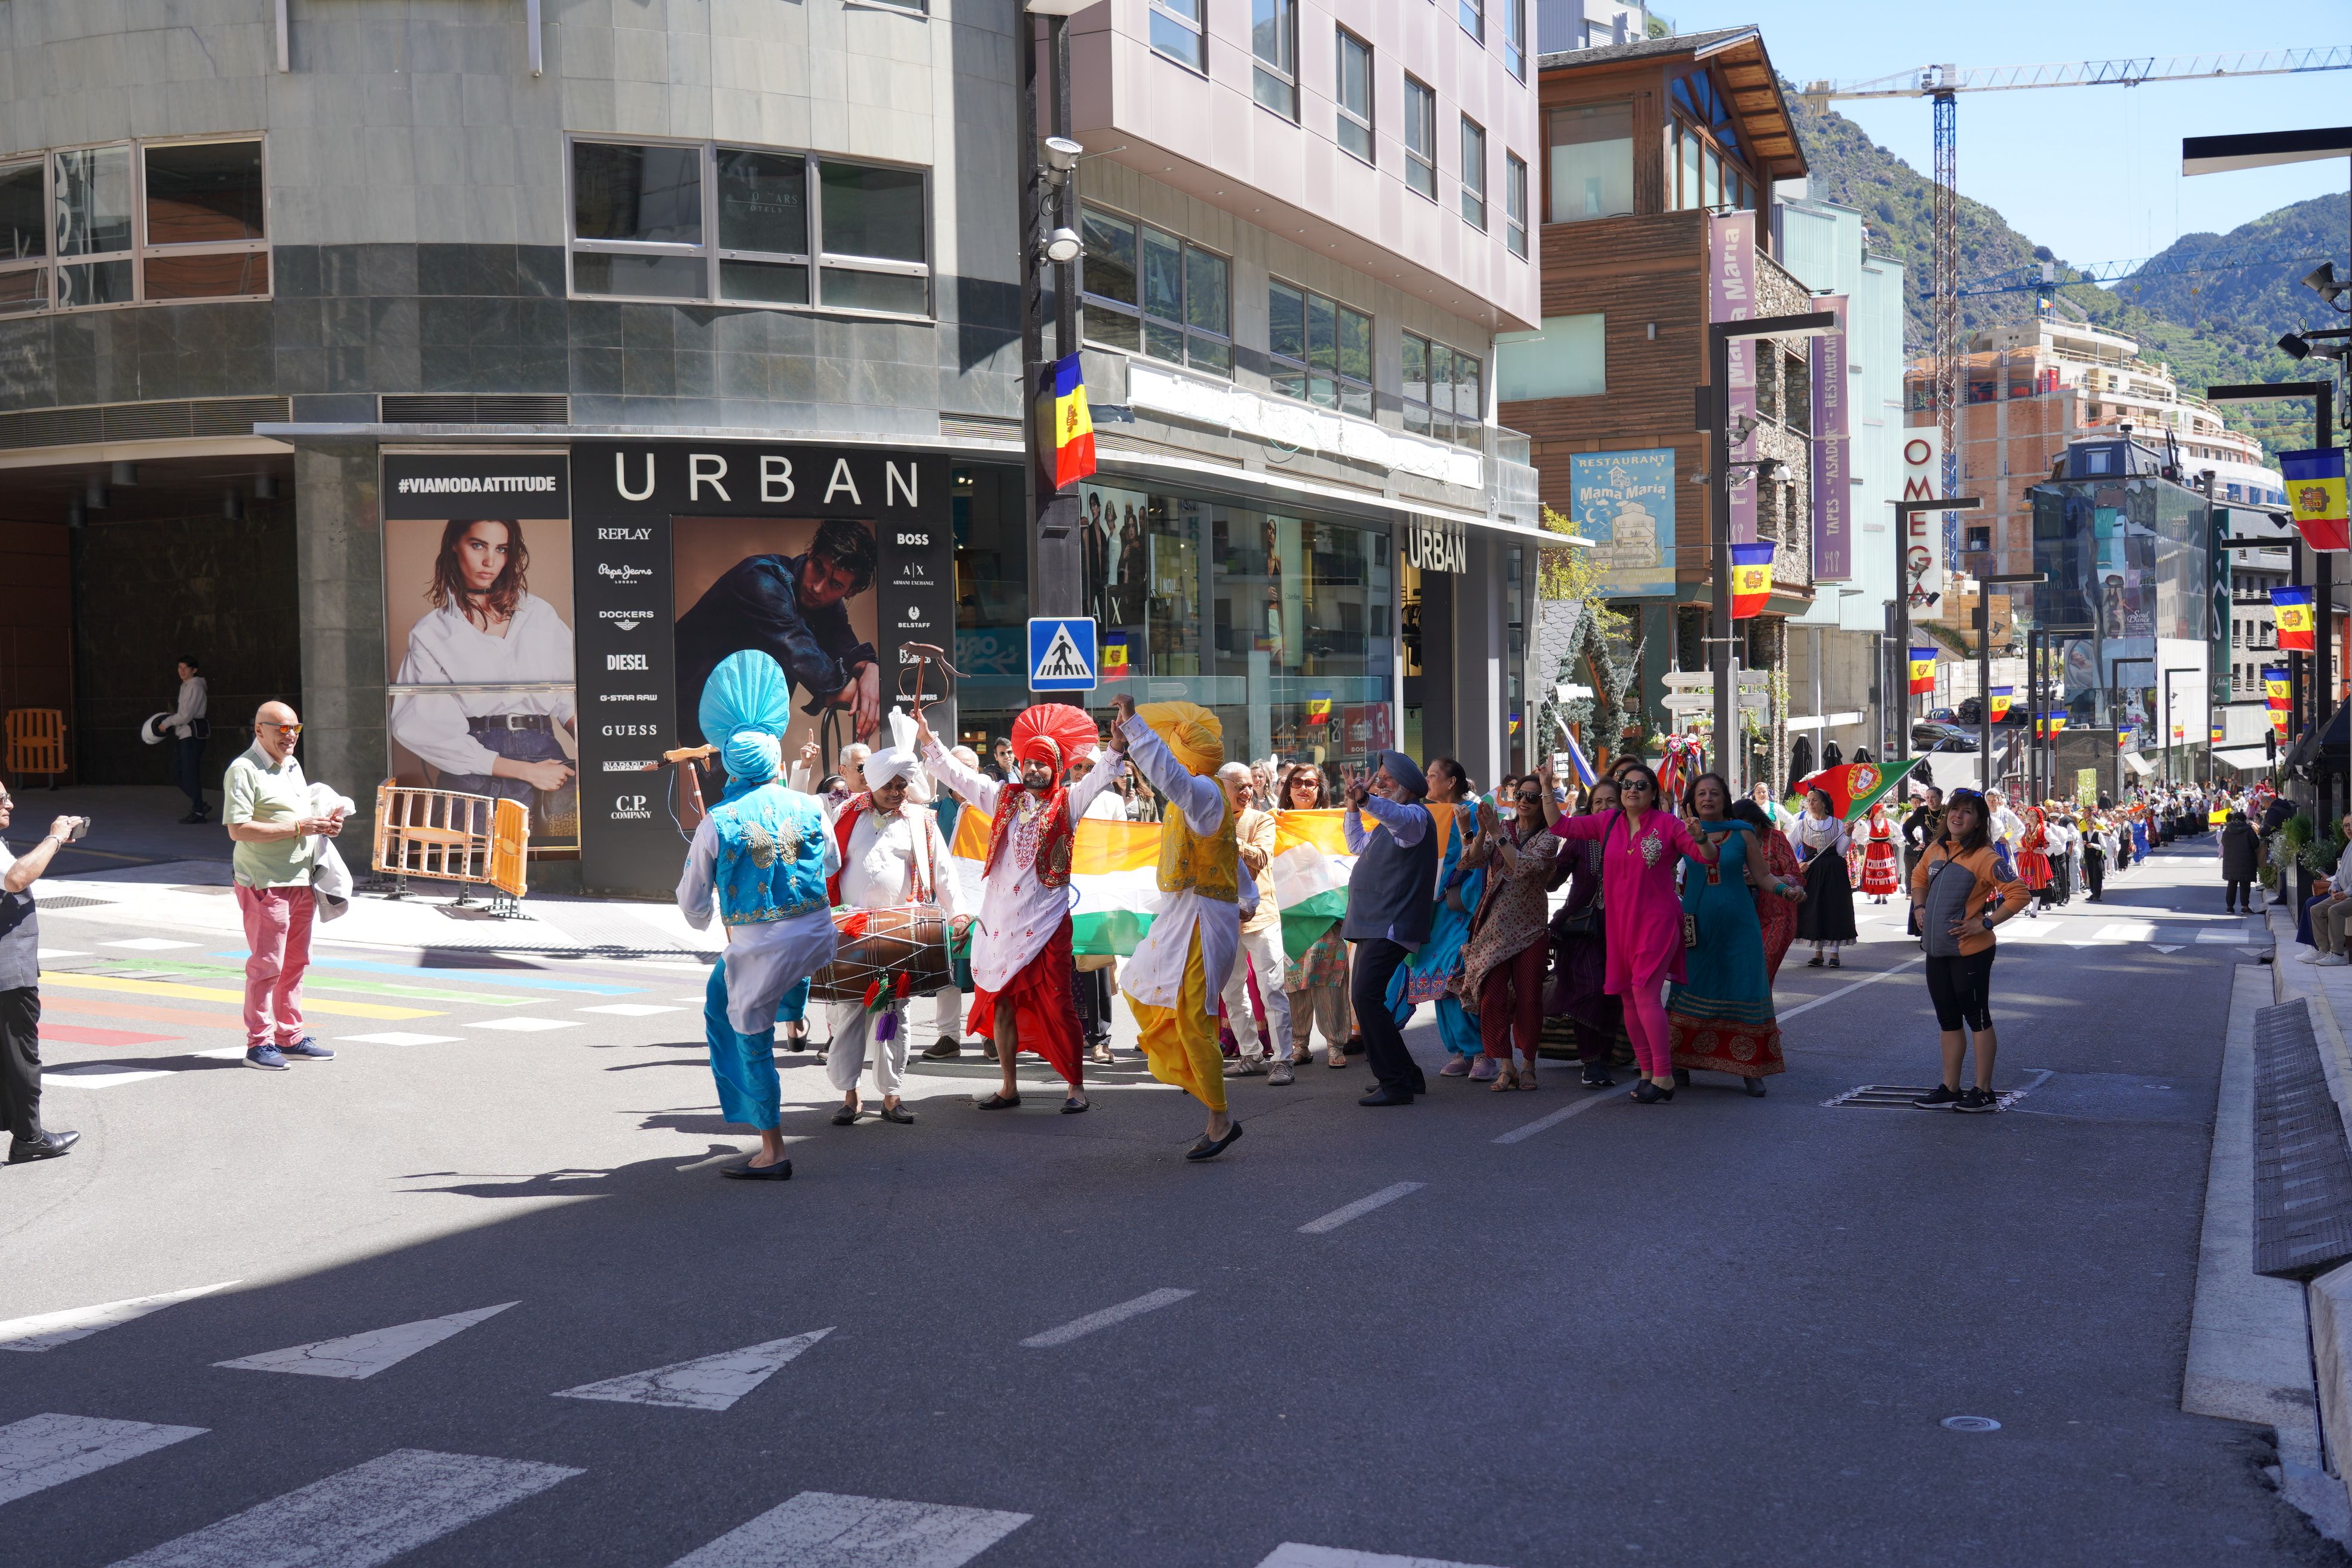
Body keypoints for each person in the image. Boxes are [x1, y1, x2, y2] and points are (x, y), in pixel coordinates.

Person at [675, 651, 840, 1181]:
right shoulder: (812, 805)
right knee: (719, 993)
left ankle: (773, 1148)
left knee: (749, 1036)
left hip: (763, 947)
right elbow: (831, 863)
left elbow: (691, 902)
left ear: (729, 765)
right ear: (773, 762)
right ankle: (794, 1005)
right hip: (817, 934)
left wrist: (704, 914)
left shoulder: (718, 822)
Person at [918, 701, 1119, 1113]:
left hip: (1048, 925)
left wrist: (1115, 744)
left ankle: (1075, 1087)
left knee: (1061, 1003)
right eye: (1029, 763)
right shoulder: (1003, 798)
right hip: (1001, 924)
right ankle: (1009, 1086)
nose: (1034, 770)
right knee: (1002, 1004)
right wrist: (928, 738)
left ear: (1056, 769)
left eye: (1043, 765)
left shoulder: (1069, 803)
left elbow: (1100, 777)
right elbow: (959, 776)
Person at [1106, 696, 1252, 1157]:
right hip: (1181, 916)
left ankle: (1220, 1116)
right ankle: (1195, 1076)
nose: (1168, 761)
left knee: (1193, 1017)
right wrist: (1246, 896)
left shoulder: (1204, 791)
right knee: (1135, 984)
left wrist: (1135, 728)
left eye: (1172, 750)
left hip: (1204, 919)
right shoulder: (1191, 799)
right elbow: (1229, 857)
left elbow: (1166, 774)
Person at [390, 518, 578, 840]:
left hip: (550, 764)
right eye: (478, 545)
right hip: (475, 768)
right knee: (473, 874)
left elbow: (567, 697)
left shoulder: (539, 615)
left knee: (557, 872)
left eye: (501, 549)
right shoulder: (432, 632)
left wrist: (601, 754)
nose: (490, 561)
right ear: (455, 544)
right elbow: (423, 728)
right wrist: (526, 772)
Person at [1549, 762, 1720, 1104]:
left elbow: (1708, 859)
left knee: (1644, 995)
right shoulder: (1608, 822)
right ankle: (1647, 1073)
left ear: (1653, 794)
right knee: (1627, 998)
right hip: (1619, 926)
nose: (1632, 790)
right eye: (1627, 785)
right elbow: (1560, 825)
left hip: (1657, 923)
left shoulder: (1669, 824)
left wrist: (1700, 836)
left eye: (1641, 786)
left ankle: (1664, 1075)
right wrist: (1543, 787)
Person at [823, 743, 967, 1127]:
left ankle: (891, 1096)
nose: (896, 790)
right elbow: (823, 867)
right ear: (874, 782)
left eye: (902, 784)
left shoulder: (921, 821)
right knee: (848, 1015)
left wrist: (959, 914)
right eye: (890, 783)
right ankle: (850, 1097)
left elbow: (945, 873)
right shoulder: (844, 813)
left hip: (898, 934)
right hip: (850, 934)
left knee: (892, 1015)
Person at [674, 519, 884, 750]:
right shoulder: (762, 582)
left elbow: (846, 646)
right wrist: (872, 696)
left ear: (850, 591)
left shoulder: (825, 604)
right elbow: (815, 670)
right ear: (810, 552)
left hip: (736, 713)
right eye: (818, 569)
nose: (818, 587)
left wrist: (870, 669)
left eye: (835, 585)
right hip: (683, 697)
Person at [223, 702, 342, 1071]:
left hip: (301, 879)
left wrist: (324, 826)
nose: (290, 736)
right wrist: (298, 829)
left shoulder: (292, 765)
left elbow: (300, 816)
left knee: (295, 963)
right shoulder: (243, 770)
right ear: (259, 730)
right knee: (267, 965)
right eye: (281, 729)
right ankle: (259, 1044)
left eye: (295, 728)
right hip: (265, 882)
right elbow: (238, 829)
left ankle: (290, 1037)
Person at [1668, 773, 1799, 1097]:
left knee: (1746, 986)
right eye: (1702, 794)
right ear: (1692, 801)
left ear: (1725, 799)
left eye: (1715, 793)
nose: (1708, 798)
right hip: (1697, 924)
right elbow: (1660, 870)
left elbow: (1763, 876)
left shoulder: (1743, 833)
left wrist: (1787, 891)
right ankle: (1679, 1063)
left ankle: (1751, 1069)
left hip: (1741, 925)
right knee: (1692, 986)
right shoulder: (1680, 833)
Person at [1909, 789, 2029, 1112]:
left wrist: (1986, 924)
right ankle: (1950, 1088)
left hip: (1971, 952)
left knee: (1977, 1018)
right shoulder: (1936, 848)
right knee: (1948, 1020)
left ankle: (1984, 1092)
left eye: (1966, 812)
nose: (1957, 816)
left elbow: (2019, 894)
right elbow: (1918, 877)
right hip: (1937, 950)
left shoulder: (1985, 856)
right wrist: (1920, 908)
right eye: (1954, 810)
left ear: (1978, 821)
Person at [1453, 775, 1564, 1091]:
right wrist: (1472, 831)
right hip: (1494, 928)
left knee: (1529, 997)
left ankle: (1528, 1064)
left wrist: (1497, 832)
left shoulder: (1548, 837)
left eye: (1532, 796)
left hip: (1530, 929)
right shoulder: (1507, 827)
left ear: (1543, 802)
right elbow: (1472, 860)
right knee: (1492, 998)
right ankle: (1505, 1065)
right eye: (1520, 795)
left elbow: (1524, 868)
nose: (1525, 801)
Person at [1344, 752, 1441, 1106]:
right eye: (1379, 777)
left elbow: (1395, 814)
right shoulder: (1392, 825)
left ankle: (1396, 1083)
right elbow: (1355, 844)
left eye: (1387, 778)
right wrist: (1354, 808)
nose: (1380, 782)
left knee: (1366, 998)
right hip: (1378, 922)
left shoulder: (1414, 816)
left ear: (1406, 786)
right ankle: (1406, 1076)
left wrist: (1366, 800)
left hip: (1391, 923)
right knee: (1370, 1000)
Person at [0, 784, 81, 1162]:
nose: (10, 803)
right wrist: (55, 838)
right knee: (21, 1056)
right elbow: (17, 878)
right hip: (7, 972)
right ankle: (29, 1139)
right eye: (2, 800)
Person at [1396, 758, 1486, 1080]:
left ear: (1451, 783)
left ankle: (1481, 1052)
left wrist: (1466, 898)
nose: (1427, 780)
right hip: (1431, 913)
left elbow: (1481, 861)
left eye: (1433, 775)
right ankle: (1459, 1051)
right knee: (1434, 977)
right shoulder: (1425, 815)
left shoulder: (1472, 814)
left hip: (1458, 912)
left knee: (1457, 977)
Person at [1545, 775, 1625, 1089]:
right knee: (1589, 988)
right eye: (1597, 803)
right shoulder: (1580, 838)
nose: (1604, 808)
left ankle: (1605, 1055)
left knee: (1613, 993)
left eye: (1610, 802)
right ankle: (1591, 1062)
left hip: (1622, 929)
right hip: (1581, 928)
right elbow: (1552, 882)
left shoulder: (1634, 836)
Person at [1218, 761, 1296, 1083]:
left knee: (1272, 988)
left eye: (1250, 785)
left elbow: (1261, 857)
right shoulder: (1207, 821)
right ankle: (1250, 1054)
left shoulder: (1261, 819)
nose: (1247, 792)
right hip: (1221, 918)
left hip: (1260, 916)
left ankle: (1283, 1059)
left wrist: (1221, 836)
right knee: (1232, 990)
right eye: (1239, 786)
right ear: (1222, 789)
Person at [1278, 764, 1353, 1070]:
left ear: (1321, 788)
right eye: (1297, 782)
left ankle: (1335, 1045)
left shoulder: (1336, 823)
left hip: (1327, 916)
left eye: (1311, 782)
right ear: (1288, 787)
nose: (1303, 788)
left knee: (1330, 982)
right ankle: (1299, 1045)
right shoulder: (1275, 822)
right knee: (1294, 983)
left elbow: (1349, 863)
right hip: (1291, 916)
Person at [1733, 798, 1805, 982]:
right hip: (1745, 917)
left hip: (1778, 916)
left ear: (1758, 822)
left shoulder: (1775, 838)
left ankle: (1761, 1011)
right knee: (1744, 975)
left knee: (1762, 973)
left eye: (1749, 826)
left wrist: (1761, 878)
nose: (1744, 832)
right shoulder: (1733, 841)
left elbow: (1795, 877)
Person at [1791, 788, 1857, 967]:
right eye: (1809, 800)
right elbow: (1789, 846)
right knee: (1815, 908)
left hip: (1834, 871)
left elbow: (1841, 851)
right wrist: (1798, 863)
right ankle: (1818, 953)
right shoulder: (1802, 824)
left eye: (1814, 800)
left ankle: (1834, 953)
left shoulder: (1837, 824)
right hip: (1812, 871)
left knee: (1834, 908)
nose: (1811, 804)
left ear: (1824, 804)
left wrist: (1849, 834)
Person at [166, 655, 211, 823]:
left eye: (185, 668)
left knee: (189, 774)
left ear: (194, 670)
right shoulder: (186, 686)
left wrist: (167, 723)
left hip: (192, 736)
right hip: (185, 735)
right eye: (180, 668)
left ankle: (199, 811)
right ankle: (200, 805)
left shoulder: (195, 686)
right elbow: (184, 713)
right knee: (178, 774)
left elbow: (186, 715)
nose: (182, 671)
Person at [1858, 801, 1900, 904]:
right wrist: (1866, 842)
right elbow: (1862, 833)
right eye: (1882, 811)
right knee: (1875, 872)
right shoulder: (1869, 823)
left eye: (1884, 811)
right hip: (1873, 850)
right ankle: (1878, 897)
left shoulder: (1888, 822)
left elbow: (1900, 832)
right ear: (1876, 812)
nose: (1884, 814)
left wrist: (1892, 841)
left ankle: (1885, 897)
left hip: (1885, 849)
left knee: (1885, 871)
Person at [1901, 787, 1944, 883]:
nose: (1930, 800)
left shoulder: (1948, 810)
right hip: (1928, 851)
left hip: (1946, 850)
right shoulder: (1922, 811)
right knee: (1925, 881)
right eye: (1928, 797)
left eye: (1933, 797)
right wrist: (1914, 844)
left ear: (1941, 797)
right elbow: (1906, 828)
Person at [2220, 810, 2259, 914]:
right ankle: (2245, 907)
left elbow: (2223, 843)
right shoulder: (2248, 830)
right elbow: (2256, 844)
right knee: (2245, 885)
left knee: (2231, 884)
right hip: (2246, 862)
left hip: (2231, 861)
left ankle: (2230, 907)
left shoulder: (2228, 830)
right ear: (2244, 820)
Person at [2017, 805, 2054, 914]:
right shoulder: (2024, 829)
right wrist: (2018, 848)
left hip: (2037, 859)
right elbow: (2013, 839)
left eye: (2033, 816)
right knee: (2025, 884)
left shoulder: (2044, 830)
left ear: (2038, 817)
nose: (2031, 818)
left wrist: (2044, 851)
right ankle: (2028, 906)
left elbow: (2057, 843)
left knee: (2036, 885)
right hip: (2024, 858)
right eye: (2029, 815)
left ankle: (2034, 910)